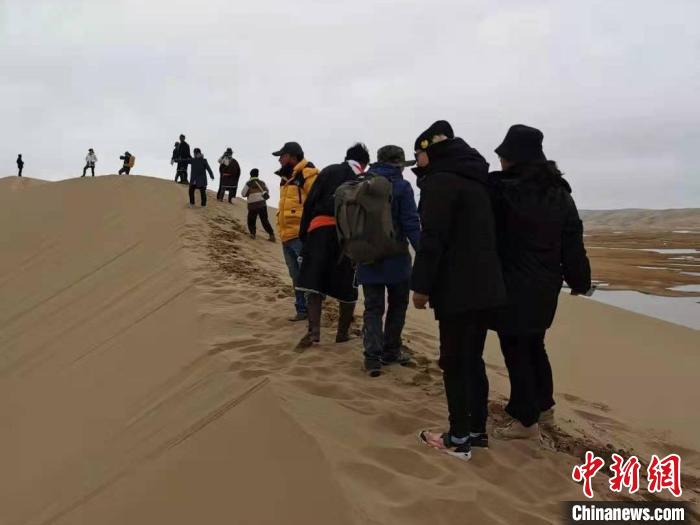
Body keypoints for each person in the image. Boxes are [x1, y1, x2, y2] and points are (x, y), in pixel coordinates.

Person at [489, 125, 591, 440]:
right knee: (534, 344)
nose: (501, 162)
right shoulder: (559, 191)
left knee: (516, 347)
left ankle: (525, 421)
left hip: (512, 282)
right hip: (546, 284)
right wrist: (579, 279)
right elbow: (572, 239)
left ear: (514, 157)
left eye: (503, 156)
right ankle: (544, 407)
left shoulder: (506, 191)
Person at [412, 121, 506, 460]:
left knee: (453, 361)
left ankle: (458, 439)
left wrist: (421, 286)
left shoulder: (441, 182)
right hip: (487, 286)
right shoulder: (476, 180)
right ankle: (477, 431)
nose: (416, 165)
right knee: (472, 359)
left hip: (457, 289)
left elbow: (433, 239)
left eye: (418, 156)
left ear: (428, 151)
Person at [296, 143, 370, 349]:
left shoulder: (329, 170)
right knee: (348, 284)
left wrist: (305, 234)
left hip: (318, 231)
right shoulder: (364, 178)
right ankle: (342, 333)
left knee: (314, 281)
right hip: (347, 236)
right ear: (364, 163)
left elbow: (310, 203)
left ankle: (313, 332)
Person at [356, 145, 421, 377]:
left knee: (373, 308)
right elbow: (411, 224)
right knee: (397, 305)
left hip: (367, 256)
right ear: (398, 164)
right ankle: (391, 351)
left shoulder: (362, 183)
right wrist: (423, 254)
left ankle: (371, 357)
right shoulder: (402, 186)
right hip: (396, 258)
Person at [272, 141, 319, 322]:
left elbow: (317, 201)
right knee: (295, 274)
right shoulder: (285, 178)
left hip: (302, 234)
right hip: (286, 234)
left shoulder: (308, 174)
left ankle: (313, 310)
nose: (280, 161)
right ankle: (301, 309)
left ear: (292, 156)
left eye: (282, 156)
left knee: (307, 273)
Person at [241, 169, 276, 241]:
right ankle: (271, 234)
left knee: (251, 220)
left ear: (250, 175)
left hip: (252, 205)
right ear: (257, 175)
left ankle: (253, 234)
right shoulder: (262, 183)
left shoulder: (248, 183)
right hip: (262, 204)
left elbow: (243, 194)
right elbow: (267, 191)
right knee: (264, 220)